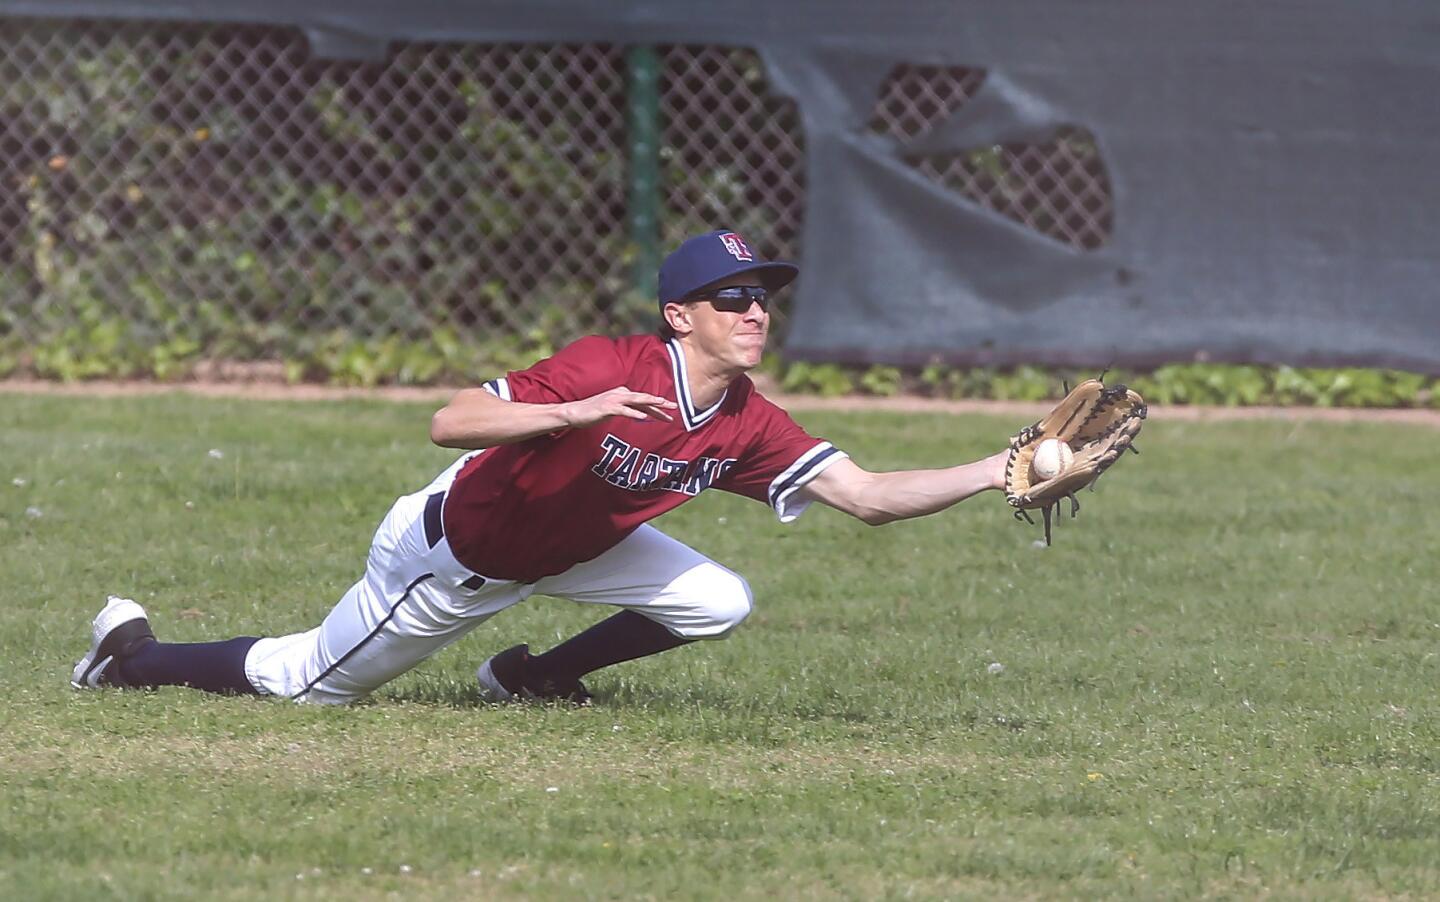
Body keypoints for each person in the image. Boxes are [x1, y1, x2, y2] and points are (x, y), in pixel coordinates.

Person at [72, 229, 1011, 705]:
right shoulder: (607, 365)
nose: (756, 310)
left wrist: (998, 468)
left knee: (720, 600)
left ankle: (532, 678)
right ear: (681, 315)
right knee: (310, 683)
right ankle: (128, 658)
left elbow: (870, 497)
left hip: (574, 546)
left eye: (762, 297)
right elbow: (450, 420)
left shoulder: (748, 418)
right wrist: (567, 411)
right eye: (732, 297)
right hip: (456, 555)